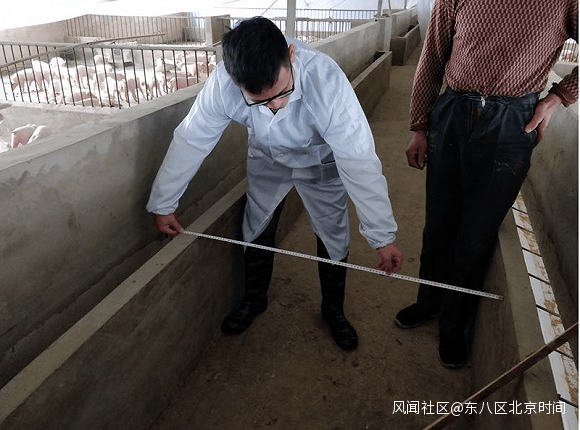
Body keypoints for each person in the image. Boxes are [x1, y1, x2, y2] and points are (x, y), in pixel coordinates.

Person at [146, 17, 404, 351]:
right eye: (259, 100)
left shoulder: (326, 81)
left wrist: (382, 235)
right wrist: (164, 203)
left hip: (320, 161)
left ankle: (333, 311)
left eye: (283, 92)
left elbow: (358, 159)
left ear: (291, 55)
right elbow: (192, 138)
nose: (275, 105)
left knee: (332, 232)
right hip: (268, 158)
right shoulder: (223, 84)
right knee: (257, 223)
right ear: (234, 80)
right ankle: (254, 300)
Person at [396, 0, 578, 368]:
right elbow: (432, 58)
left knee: (476, 234)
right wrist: (419, 126)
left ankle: (454, 326)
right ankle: (429, 301)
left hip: (512, 121)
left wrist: (557, 98)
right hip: (453, 111)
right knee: (439, 223)